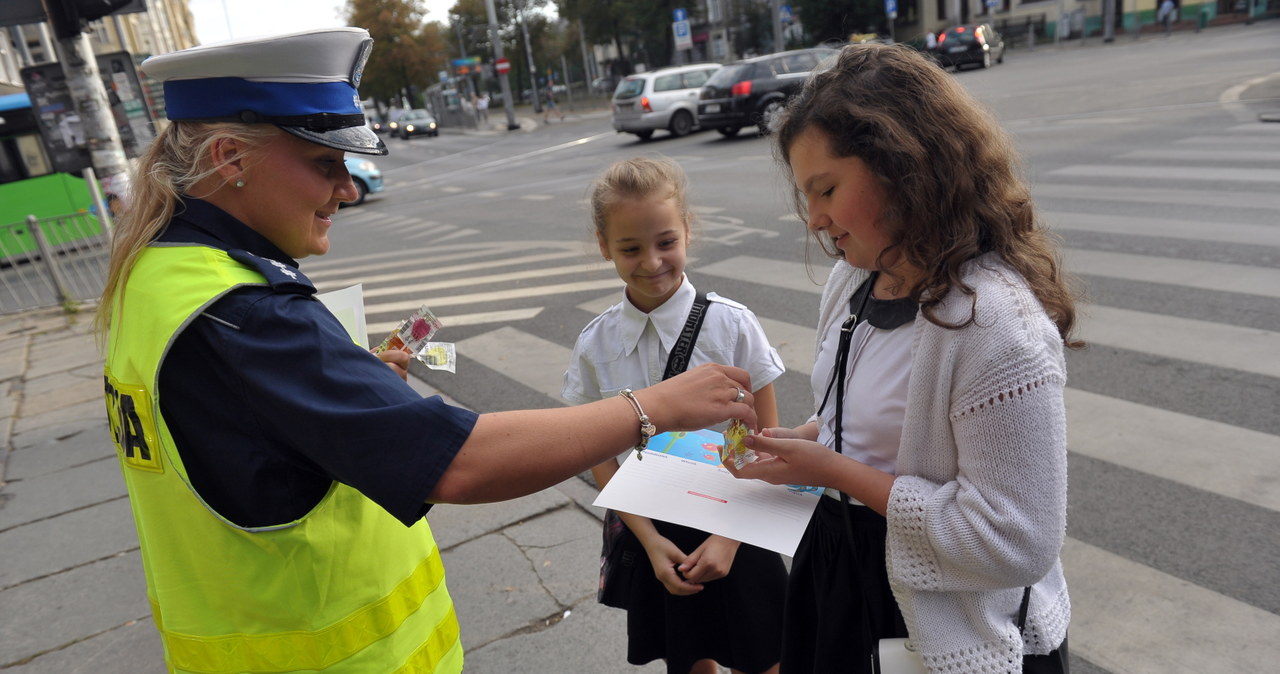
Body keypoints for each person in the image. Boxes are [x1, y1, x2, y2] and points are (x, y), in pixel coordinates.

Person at [96, 28, 756, 674]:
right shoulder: (247, 315)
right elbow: (462, 463)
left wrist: (355, 392)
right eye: (324, 163)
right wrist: (651, 406)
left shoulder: (158, 275)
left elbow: (242, 443)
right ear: (228, 159)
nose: (347, 189)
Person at [725, 44, 1079, 673]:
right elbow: (868, 425)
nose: (815, 220)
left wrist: (833, 470)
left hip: (951, 621)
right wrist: (802, 442)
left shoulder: (995, 324)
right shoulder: (854, 280)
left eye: (827, 189)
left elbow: (1016, 541)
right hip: (838, 579)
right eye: (807, 197)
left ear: (902, 166)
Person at [563, 156, 786, 674]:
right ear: (604, 246)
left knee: (765, 659)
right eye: (630, 248)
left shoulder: (731, 325)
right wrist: (650, 541)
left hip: (738, 521)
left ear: (688, 231)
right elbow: (601, 458)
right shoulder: (594, 344)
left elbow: (761, 438)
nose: (652, 261)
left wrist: (729, 536)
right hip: (655, 534)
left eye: (666, 242)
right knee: (689, 660)